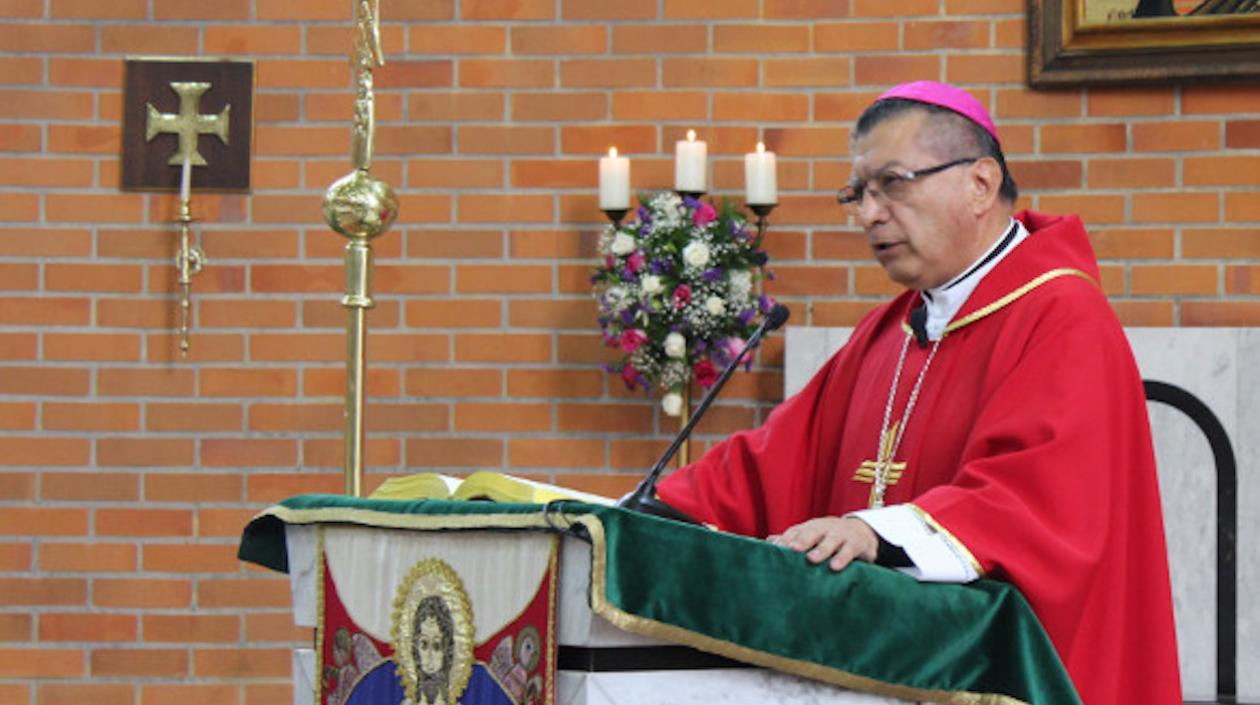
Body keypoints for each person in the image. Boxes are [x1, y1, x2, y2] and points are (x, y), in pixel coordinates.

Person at [655, 81, 1181, 705]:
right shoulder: (891, 330)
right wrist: (643, 517)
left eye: (893, 184)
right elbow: (774, 461)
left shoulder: (1062, 315)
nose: (870, 214)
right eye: (858, 193)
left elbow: (1038, 499)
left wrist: (876, 534)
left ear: (980, 185)